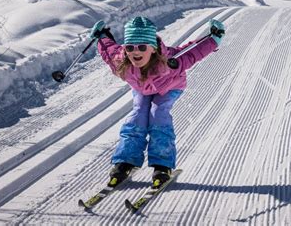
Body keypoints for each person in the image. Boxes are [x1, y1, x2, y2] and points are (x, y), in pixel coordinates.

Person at [89, 16, 225, 188]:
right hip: (142, 88)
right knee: (138, 115)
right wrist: (101, 36)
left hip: (170, 88)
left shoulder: (170, 61)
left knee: (157, 114)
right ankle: (125, 161)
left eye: (142, 47)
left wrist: (214, 39)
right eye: (130, 47)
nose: (135, 52)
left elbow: (193, 52)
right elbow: (109, 50)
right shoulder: (121, 61)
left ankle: (162, 165)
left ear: (153, 48)